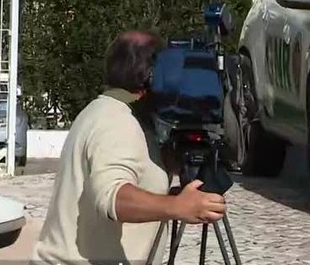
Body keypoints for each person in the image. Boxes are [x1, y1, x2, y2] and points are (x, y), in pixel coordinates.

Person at [32, 30, 227, 264]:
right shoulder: (116, 122)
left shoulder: (109, 111)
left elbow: (133, 171)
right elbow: (114, 198)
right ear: (153, 76)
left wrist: (169, 165)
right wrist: (177, 206)